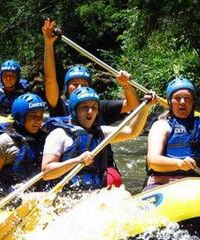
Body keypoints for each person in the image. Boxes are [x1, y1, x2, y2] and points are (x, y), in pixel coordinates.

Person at [42, 18, 141, 187]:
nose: (90, 111)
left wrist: (126, 85)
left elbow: (133, 107)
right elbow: (50, 81)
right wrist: (49, 44)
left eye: (84, 84)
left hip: (101, 168)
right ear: (67, 88)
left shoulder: (98, 106)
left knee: (113, 179)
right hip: (68, 172)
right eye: (74, 84)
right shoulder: (60, 108)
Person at [42, 86, 155, 191]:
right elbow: (46, 173)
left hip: (96, 194)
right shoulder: (59, 134)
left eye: (94, 107)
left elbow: (132, 132)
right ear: (74, 110)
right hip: (67, 196)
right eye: (84, 107)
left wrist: (146, 107)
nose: (90, 111)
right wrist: (77, 161)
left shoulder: (100, 132)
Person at [144, 78, 200, 191]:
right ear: (170, 102)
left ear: (193, 103)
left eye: (187, 98)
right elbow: (153, 161)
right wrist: (179, 163)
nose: (182, 102)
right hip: (164, 186)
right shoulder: (161, 126)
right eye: (177, 98)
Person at [0, 93, 48, 210]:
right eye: (33, 116)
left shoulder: (46, 139)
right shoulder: (4, 141)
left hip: (37, 200)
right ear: (20, 117)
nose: (38, 121)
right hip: (9, 202)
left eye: (40, 116)